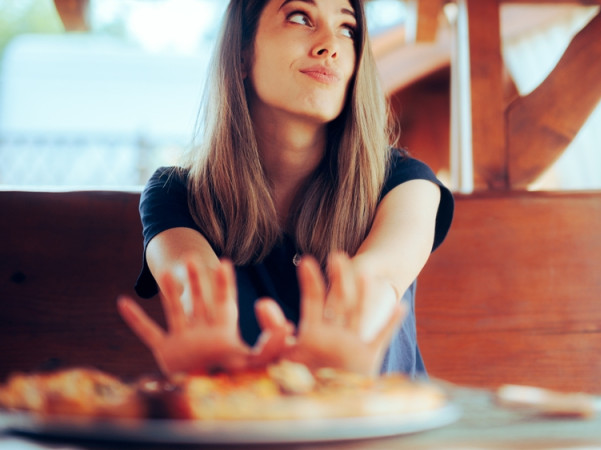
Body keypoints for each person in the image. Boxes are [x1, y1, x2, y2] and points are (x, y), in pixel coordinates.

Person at [116, 0, 453, 379]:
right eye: (300, 17)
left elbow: (375, 281)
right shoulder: (174, 193)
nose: (331, 45)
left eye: (347, 29)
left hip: (382, 417)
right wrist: (217, 356)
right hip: (246, 414)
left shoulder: (406, 183)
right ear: (242, 54)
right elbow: (195, 289)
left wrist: (339, 340)